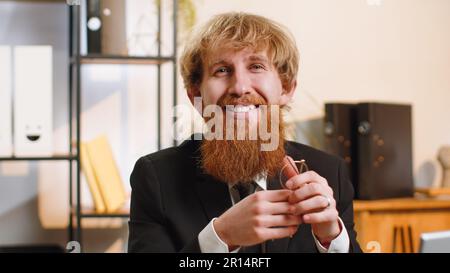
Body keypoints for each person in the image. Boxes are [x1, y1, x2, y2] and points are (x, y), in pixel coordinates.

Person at [128, 12, 361, 253]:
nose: (240, 87)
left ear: (287, 88)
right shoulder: (156, 178)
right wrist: (220, 237)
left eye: (256, 66)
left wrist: (331, 238)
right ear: (196, 97)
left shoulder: (329, 172)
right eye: (221, 70)